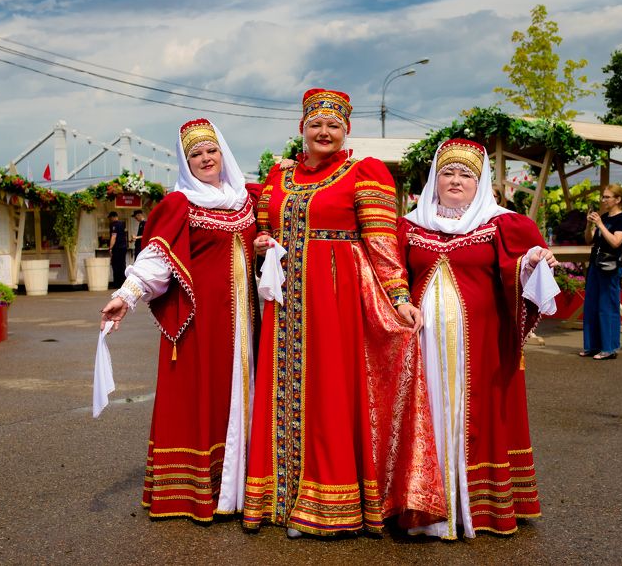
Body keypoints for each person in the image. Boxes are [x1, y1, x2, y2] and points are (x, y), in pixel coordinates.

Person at [245, 88, 444, 537]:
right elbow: (263, 225)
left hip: (336, 299)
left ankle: (324, 506)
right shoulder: (279, 175)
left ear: (346, 130)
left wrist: (397, 297)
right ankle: (280, 500)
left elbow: (382, 240)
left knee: (328, 393)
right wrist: (262, 242)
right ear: (302, 127)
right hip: (286, 304)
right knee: (285, 393)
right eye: (316, 124)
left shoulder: (363, 172)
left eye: (334, 125)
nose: (324, 132)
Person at [99, 118, 259, 520]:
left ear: (223, 153)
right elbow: (156, 262)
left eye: (211, 150)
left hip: (245, 320)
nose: (205, 159)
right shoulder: (180, 204)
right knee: (201, 396)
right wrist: (126, 296)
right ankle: (198, 492)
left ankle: (242, 488)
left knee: (241, 393)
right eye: (196, 154)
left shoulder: (247, 198)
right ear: (185, 162)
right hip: (201, 324)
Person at [398, 138, 558, 539]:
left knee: (475, 420)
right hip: (420, 349)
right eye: (447, 172)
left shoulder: (503, 224)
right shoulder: (410, 225)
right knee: (427, 416)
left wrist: (532, 262)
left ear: (480, 181)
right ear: (434, 179)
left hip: (480, 352)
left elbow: (516, 272)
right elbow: (392, 275)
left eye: (465, 174)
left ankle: (475, 507)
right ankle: (426, 505)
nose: (455, 180)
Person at [581, 184, 622, 360]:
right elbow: (589, 240)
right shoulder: (602, 217)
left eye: (607, 197)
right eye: (603, 197)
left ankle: (609, 348)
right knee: (591, 305)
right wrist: (589, 225)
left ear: (618, 199)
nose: (603, 200)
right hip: (596, 264)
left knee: (607, 306)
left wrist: (601, 224)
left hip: (610, 266)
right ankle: (592, 346)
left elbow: (616, 242)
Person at [107, 211, 127, 289]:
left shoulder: (114, 225)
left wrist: (110, 247)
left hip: (117, 248)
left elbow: (113, 236)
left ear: (112, 217)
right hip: (123, 247)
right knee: (122, 265)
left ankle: (117, 284)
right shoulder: (122, 224)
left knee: (116, 265)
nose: (110, 220)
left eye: (110, 218)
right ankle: (123, 283)